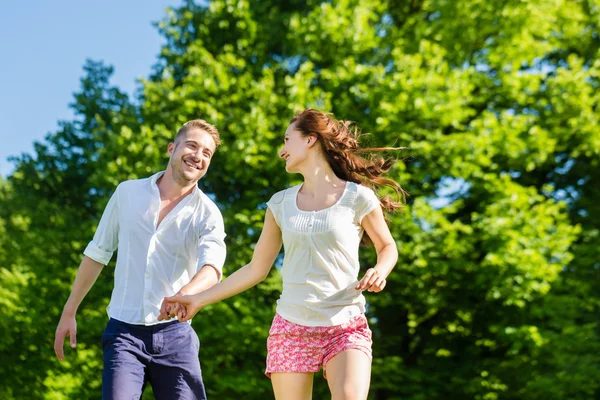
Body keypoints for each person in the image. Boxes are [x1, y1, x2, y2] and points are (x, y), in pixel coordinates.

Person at [162, 108, 405, 400]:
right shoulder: (280, 204)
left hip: (345, 324)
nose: (281, 151)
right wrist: (197, 299)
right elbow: (256, 269)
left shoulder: (357, 197)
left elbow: (387, 247)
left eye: (287, 140)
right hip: (291, 327)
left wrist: (380, 269)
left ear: (310, 140)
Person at [53, 119, 227, 400]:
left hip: (176, 337)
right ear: (172, 148)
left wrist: (186, 293)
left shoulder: (208, 213)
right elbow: (98, 253)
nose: (198, 156)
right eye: (192, 146)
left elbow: (212, 268)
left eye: (207, 153)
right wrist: (69, 310)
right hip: (124, 334)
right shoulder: (127, 192)